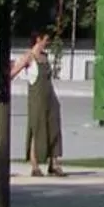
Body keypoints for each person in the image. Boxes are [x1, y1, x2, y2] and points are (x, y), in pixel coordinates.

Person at [13, 32, 63, 177]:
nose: (47, 42)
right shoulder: (29, 56)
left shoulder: (45, 57)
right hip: (37, 98)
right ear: (38, 39)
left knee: (53, 127)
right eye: (46, 40)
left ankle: (54, 163)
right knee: (37, 127)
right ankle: (35, 166)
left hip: (49, 96)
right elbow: (15, 70)